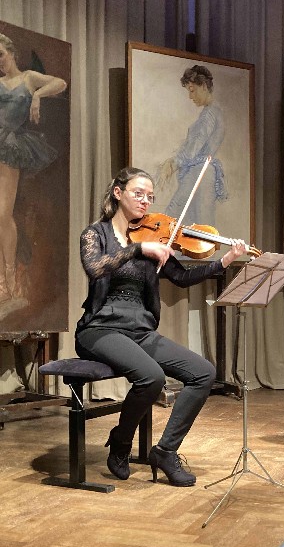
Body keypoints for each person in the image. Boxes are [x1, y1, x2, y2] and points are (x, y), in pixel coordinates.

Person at [75, 166, 246, 486]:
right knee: (152, 377)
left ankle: (165, 451)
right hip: (100, 328)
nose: (145, 201)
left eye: (150, 197)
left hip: (139, 329)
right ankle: (121, 442)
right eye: (138, 193)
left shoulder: (153, 237)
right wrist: (138, 249)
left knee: (203, 372)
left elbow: (181, 277)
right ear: (118, 193)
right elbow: (95, 267)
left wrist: (224, 261)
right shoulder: (95, 234)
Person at [0, 32, 67, 314]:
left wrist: (37, 95)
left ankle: (8, 284)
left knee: (3, 214)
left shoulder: (28, 78)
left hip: (8, 146)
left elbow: (60, 83)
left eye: (1, 55)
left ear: (11, 53)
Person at [158, 64, 226, 228]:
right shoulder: (212, 111)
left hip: (199, 173)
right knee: (197, 222)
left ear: (204, 86)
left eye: (192, 90)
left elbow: (194, 146)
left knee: (175, 215)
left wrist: (174, 164)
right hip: (201, 173)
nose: (190, 96)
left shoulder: (210, 113)